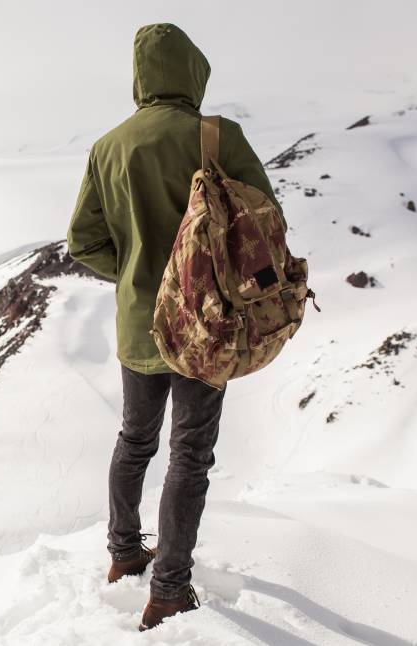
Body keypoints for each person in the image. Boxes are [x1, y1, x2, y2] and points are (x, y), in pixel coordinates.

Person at [66, 23, 282, 631]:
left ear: (139, 76)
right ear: (193, 72)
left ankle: (122, 553)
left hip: (140, 325)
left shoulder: (107, 147)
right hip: (207, 326)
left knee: (136, 440)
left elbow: (81, 240)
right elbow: (266, 220)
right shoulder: (217, 136)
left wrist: (137, 274)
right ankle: (168, 590)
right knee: (189, 453)